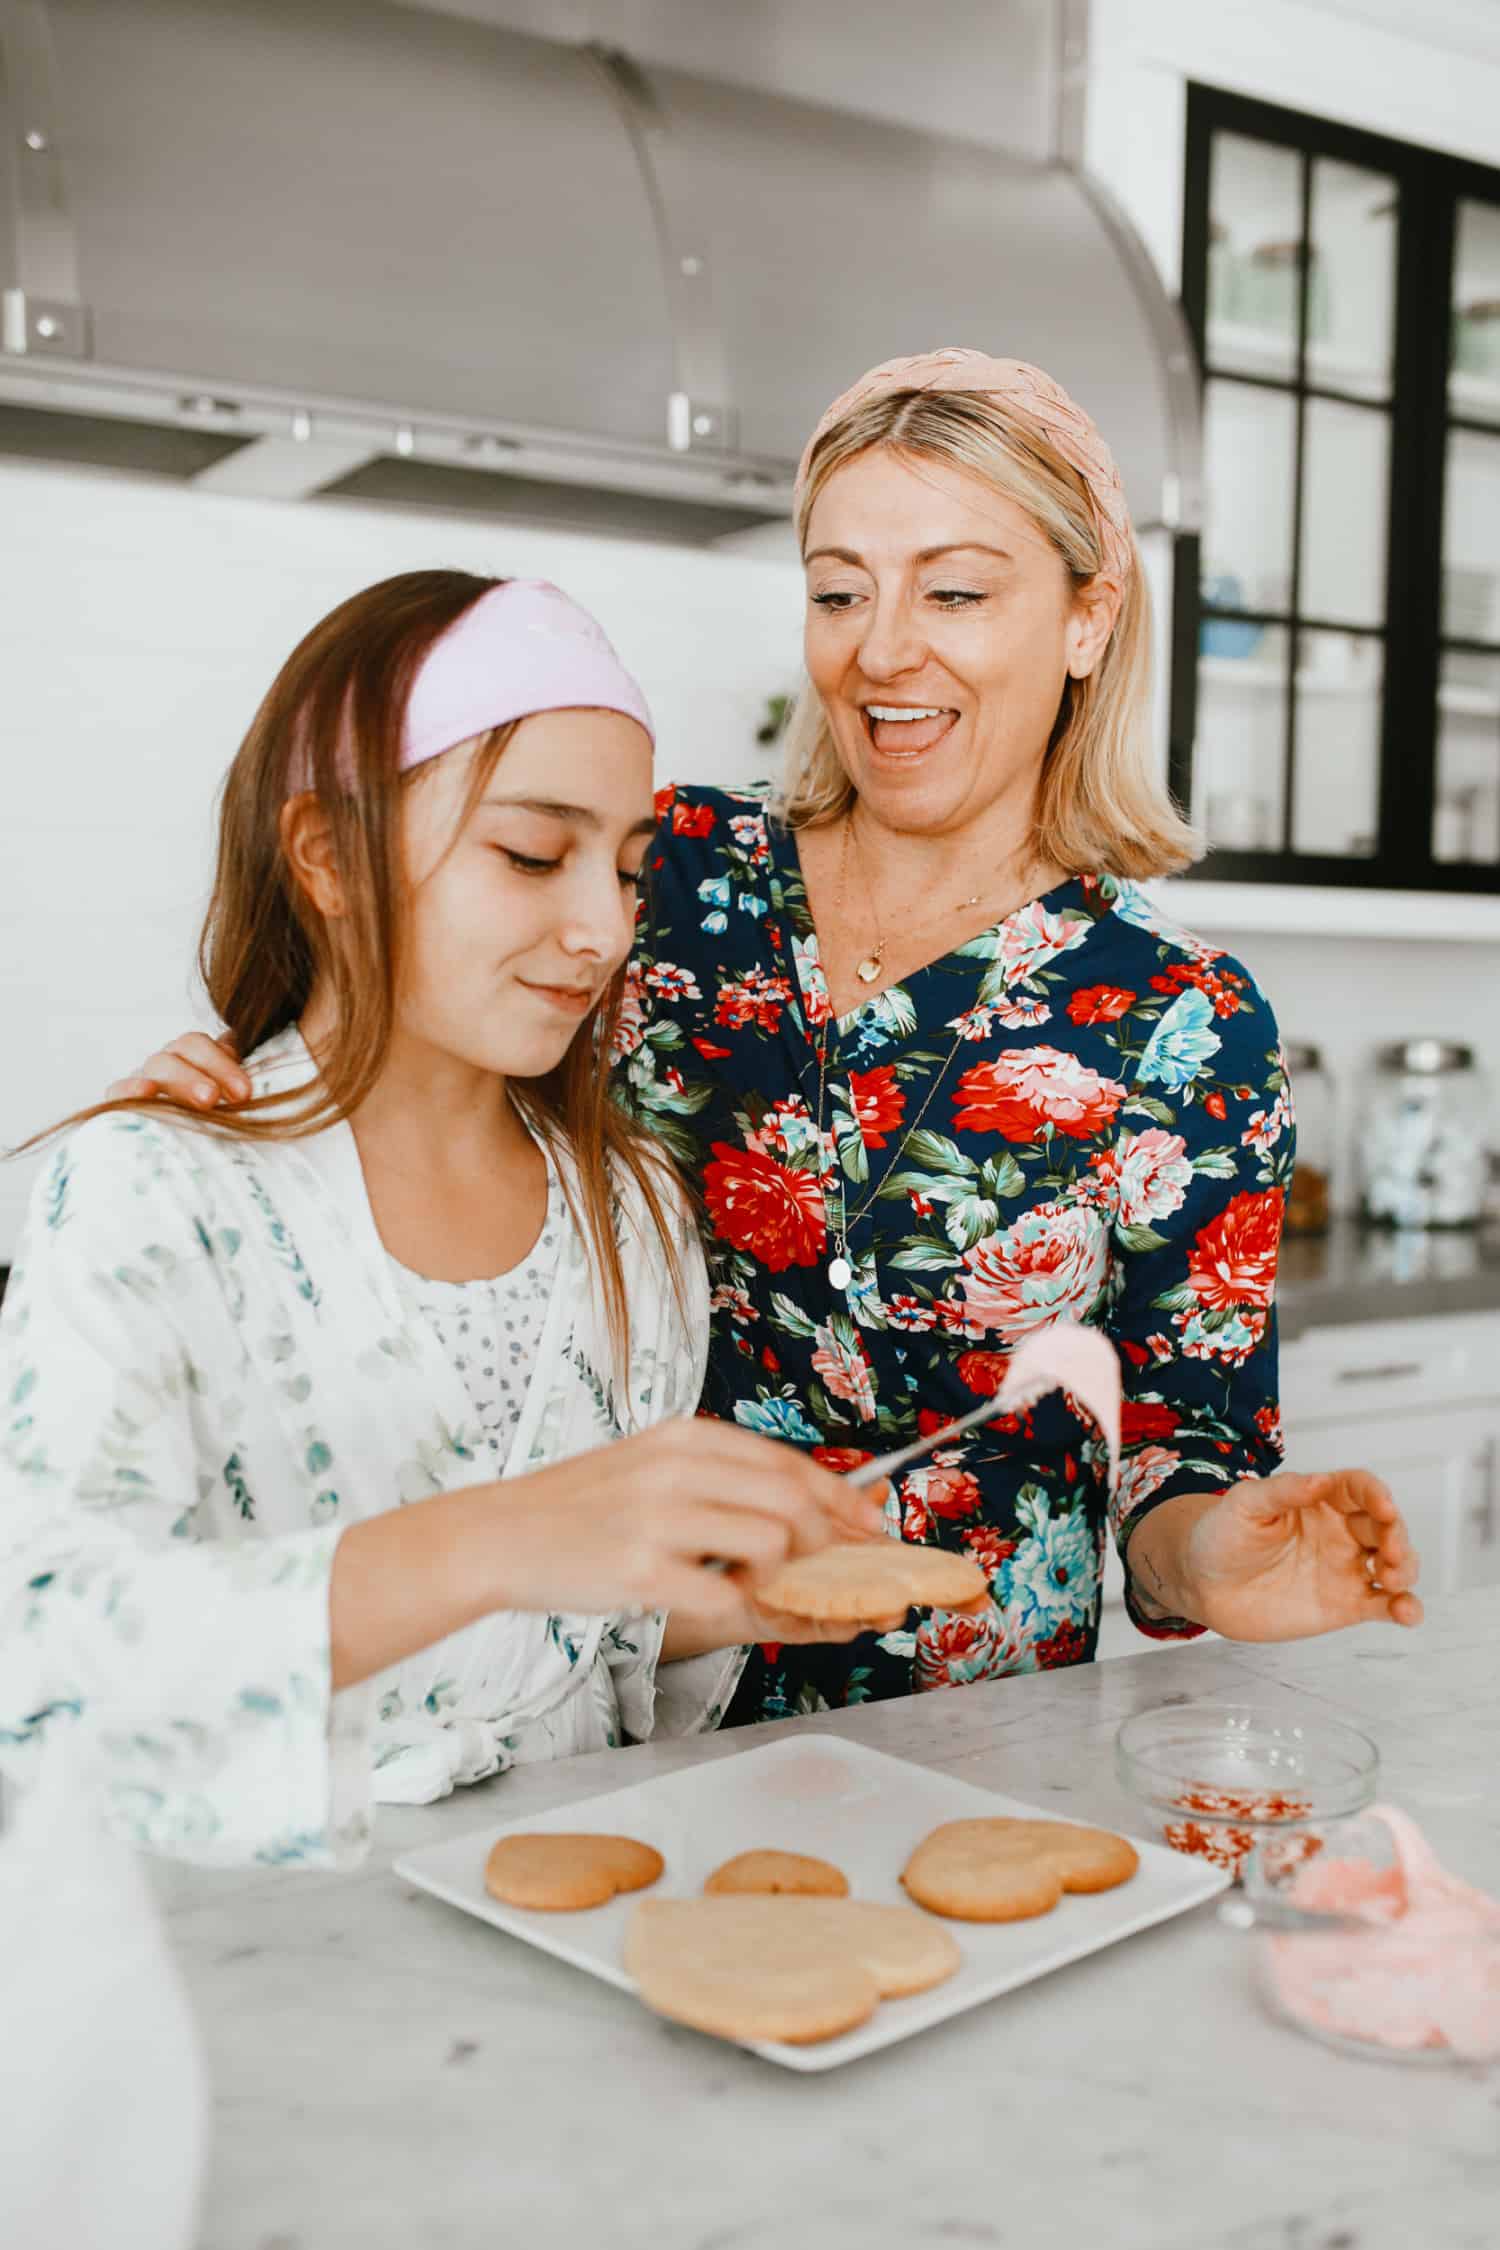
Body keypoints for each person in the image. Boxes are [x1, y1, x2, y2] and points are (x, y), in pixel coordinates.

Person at [105, 351, 1423, 1733]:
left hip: (972, 1744)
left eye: (957, 592)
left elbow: (1182, 1450)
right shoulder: (660, 871)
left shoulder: (1182, 1019)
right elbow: (416, 1082)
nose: (881, 648)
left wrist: (1217, 1554)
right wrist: (257, 1104)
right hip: (594, 1712)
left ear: (1089, 618)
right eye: (839, 590)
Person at [0, 571, 892, 1867]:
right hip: (268, 1987)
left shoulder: (629, 1212)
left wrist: (703, 1593)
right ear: (325, 857)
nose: (598, 928)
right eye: (531, 853)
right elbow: (43, 1654)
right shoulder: (159, 1188)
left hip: (582, 1948)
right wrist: (504, 1533)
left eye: (632, 872)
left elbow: (568, 1661)